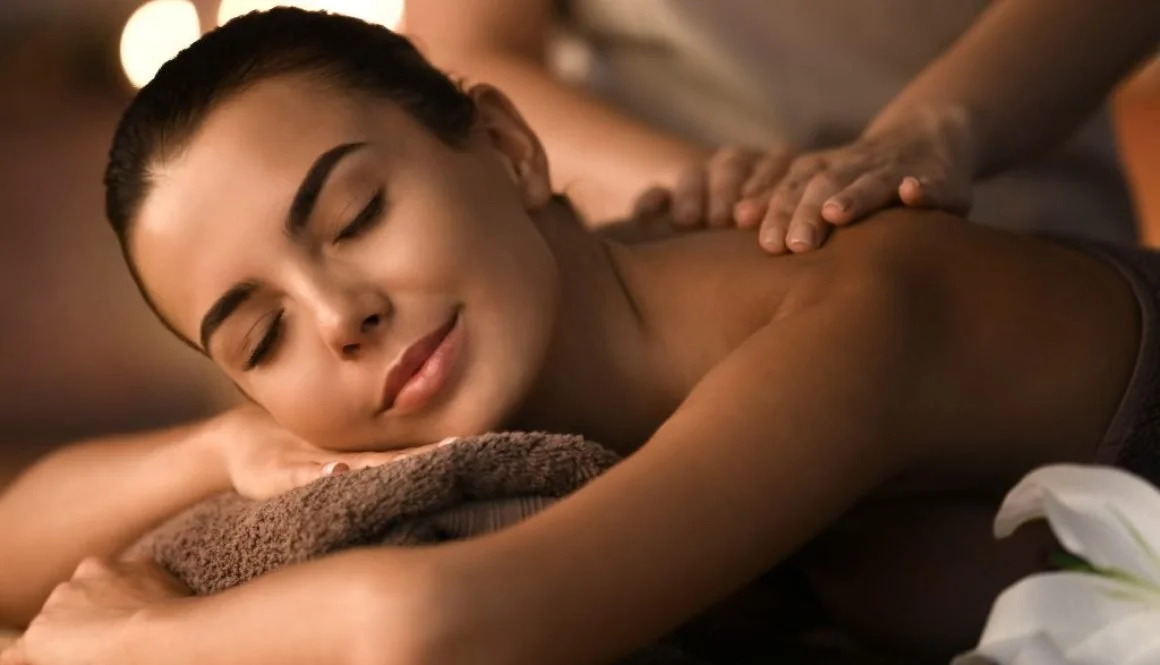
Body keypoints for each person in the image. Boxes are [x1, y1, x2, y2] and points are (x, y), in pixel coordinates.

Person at [0, 8, 1155, 664]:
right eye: (257, 337)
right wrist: (219, 449)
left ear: (506, 145)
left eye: (357, 213)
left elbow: (446, 626)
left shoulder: (840, 312)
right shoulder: (437, 370)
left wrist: (133, 643)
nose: (338, 312)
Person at [407, 0, 1155, 253]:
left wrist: (939, 129)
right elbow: (467, 53)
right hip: (711, 243)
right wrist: (726, 197)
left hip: (1034, 237)